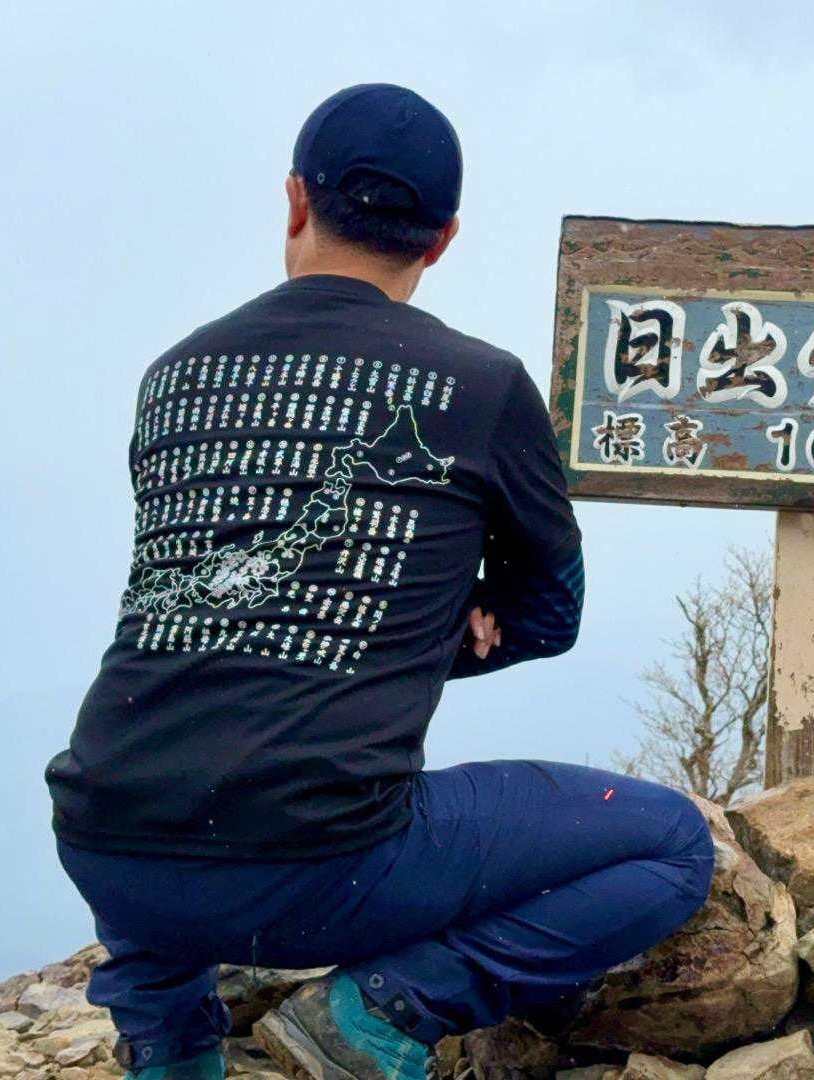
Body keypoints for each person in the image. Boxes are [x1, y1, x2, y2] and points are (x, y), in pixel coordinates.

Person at [45, 84, 715, 1080]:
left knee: (173, 729)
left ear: (295, 201)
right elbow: (549, 611)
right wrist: (414, 631)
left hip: (105, 847)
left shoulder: (175, 374)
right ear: (442, 238)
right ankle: (390, 1007)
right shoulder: (480, 385)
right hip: (322, 869)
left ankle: (166, 1039)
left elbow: (200, 609)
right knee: (672, 845)